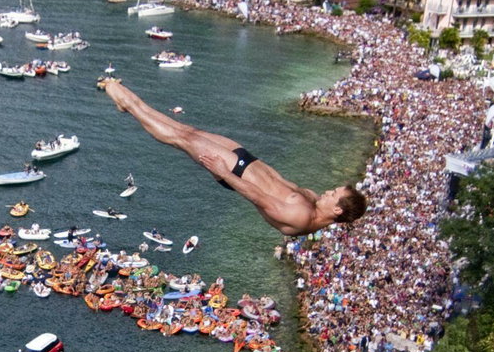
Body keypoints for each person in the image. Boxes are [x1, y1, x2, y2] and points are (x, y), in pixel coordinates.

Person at [99, 78, 367, 236]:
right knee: (188, 131)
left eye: (334, 193)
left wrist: (224, 172)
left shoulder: (301, 217)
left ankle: (129, 104)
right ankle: (130, 104)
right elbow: (276, 181)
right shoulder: (311, 200)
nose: (329, 190)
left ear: (337, 210)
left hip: (234, 171)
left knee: (180, 138)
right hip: (246, 160)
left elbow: (258, 198)